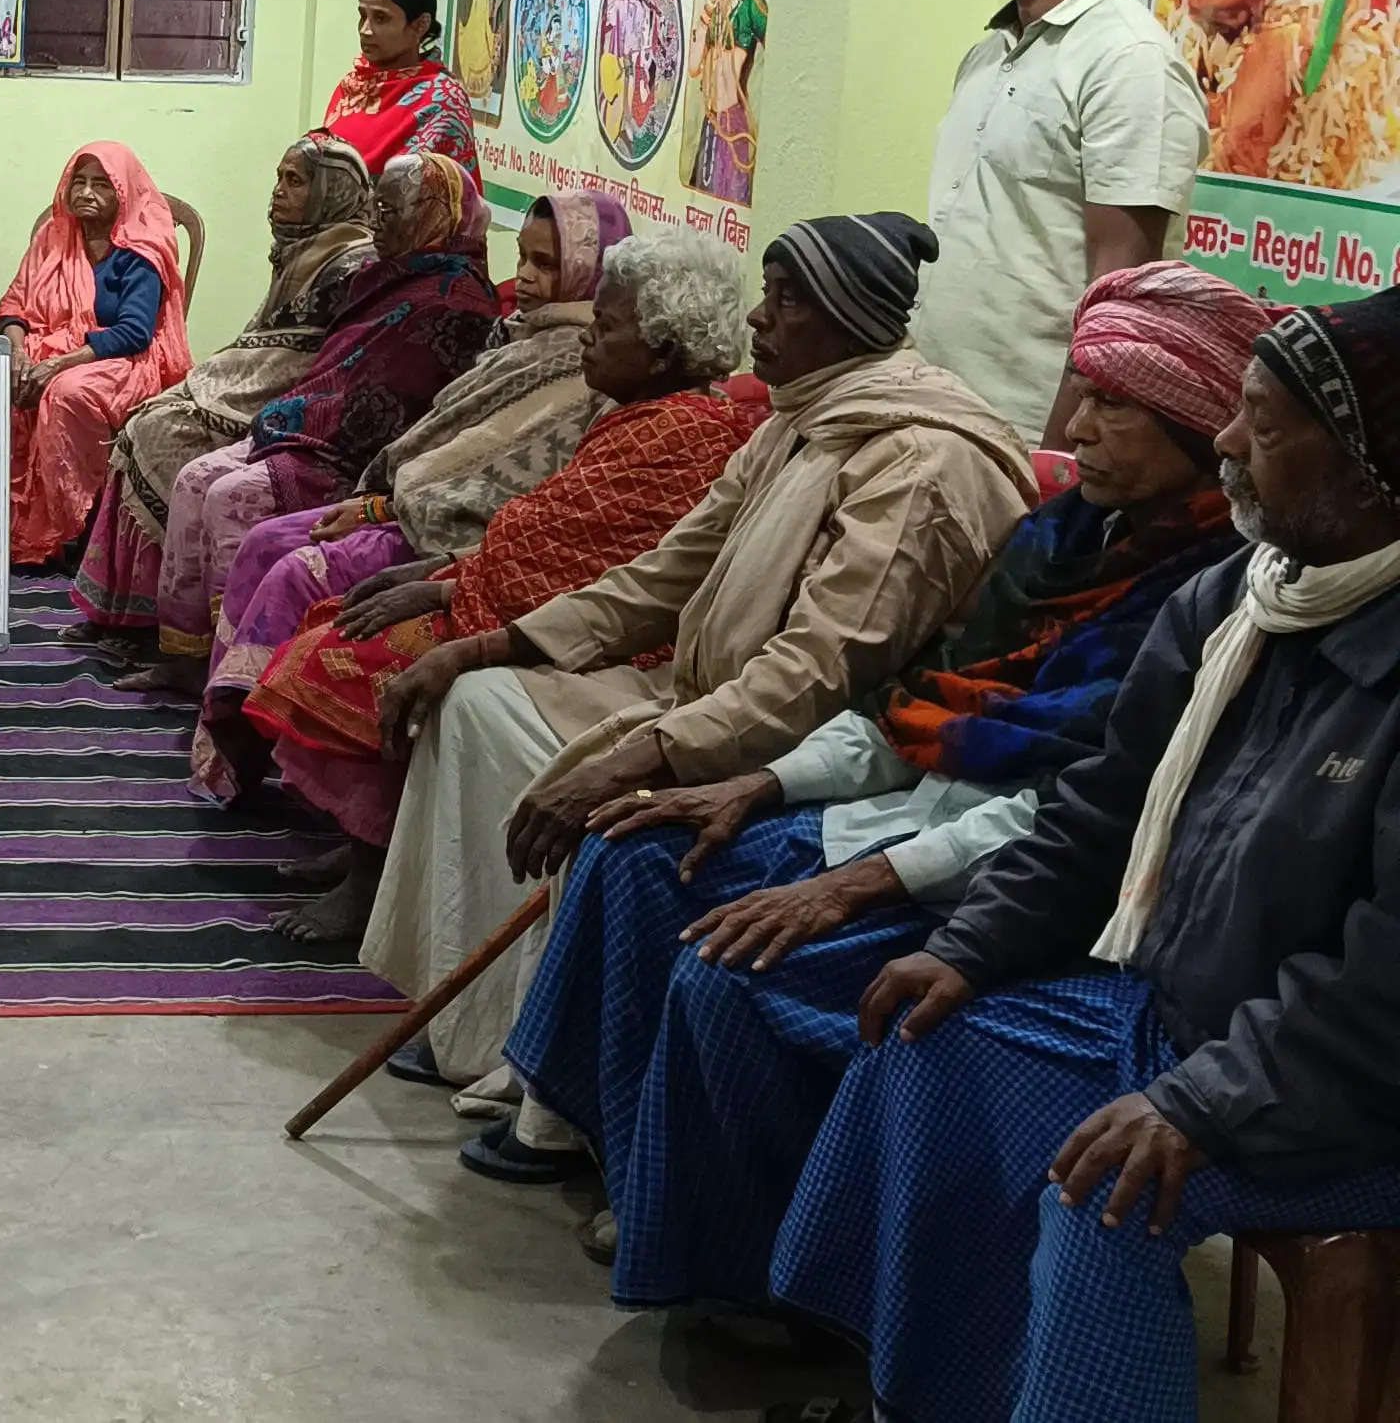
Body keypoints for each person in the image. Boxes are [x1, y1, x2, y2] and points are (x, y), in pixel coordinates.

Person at [505, 260, 1262, 1312]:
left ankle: (751, 1278)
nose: (1076, 424)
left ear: (1194, 430)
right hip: (915, 818)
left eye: (1113, 404)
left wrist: (861, 881)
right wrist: (761, 786)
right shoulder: (1059, 539)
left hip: (1018, 887)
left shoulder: (1202, 600)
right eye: (1081, 391)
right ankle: (632, 1154)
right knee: (639, 849)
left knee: (730, 963)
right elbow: (918, 707)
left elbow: (1084, 818)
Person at [770, 285, 1400, 1423]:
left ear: (1367, 461)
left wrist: (1202, 1101)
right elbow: (1100, 813)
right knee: (928, 1035)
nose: (1222, 441)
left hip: (1345, 1087)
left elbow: (1383, 988)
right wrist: (971, 947)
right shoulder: (1241, 601)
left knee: (1107, 1195)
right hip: (1183, 1015)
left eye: (1258, 422)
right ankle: (927, 1399)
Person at [363, 214, 1036, 1123]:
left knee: (603, 813)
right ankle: (480, 1030)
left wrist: (647, 755)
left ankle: (555, 1096)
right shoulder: (802, 420)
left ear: (845, 318)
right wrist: (481, 644)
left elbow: (815, 676)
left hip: (788, 748)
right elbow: (662, 577)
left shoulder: (915, 458)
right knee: (475, 703)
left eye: (786, 300)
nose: (757, 319)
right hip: (698, 696)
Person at [245, 230, 760, 943]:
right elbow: (540, 527)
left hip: (600, 643)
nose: (589, 341)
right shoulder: (638, 412)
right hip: (518, 597)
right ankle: (373, 844)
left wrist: (446, 589)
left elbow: (593, 571)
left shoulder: (685, 436)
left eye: (606, 327)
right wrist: (440, 573)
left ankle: (371, 873)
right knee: (342, 620)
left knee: (350, 660)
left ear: (664, 349)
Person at [189, 188, 633, 804]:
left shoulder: (591, 363)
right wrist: (377, 501)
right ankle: (244, 753)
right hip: (403, 504)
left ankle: (297, 783)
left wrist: (382, 507)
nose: (526, 277)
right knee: (265, 539)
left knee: (296, 569)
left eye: (547, 264)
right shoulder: (513, 332)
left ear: (594, 268)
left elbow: (501, 478)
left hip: (457, 540)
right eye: (523, 258)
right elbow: (439, 432)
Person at [75, 152, 500, 692]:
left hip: (354, 459)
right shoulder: (387, 273)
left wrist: (295, 421)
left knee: (230, 496)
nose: (376, 221)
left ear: (432, 217)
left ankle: (234, 674)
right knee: (193, 478)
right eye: (377, 206)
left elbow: (398, 404)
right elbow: (331, 367)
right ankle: (182, 652)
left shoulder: (454, 301)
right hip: (307, 425)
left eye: (390, 212)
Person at [911, 0, 1208, 445]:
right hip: (936, 411)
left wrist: (1059, 461)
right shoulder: (992, 50)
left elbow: (1118, 288)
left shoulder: (1129, 63)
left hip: (1023, 436)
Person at [60, 136, 378, 649]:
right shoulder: (302, 249)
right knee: (148, 420)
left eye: (294, 182)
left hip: (297, 405)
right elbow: (260, 342)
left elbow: (308, 361)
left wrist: (212, 388)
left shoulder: (351, 264)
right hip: (251, 381)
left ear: (331, 191)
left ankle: (172, 632)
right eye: (278, 178)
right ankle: (128, 612)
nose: (277, 193)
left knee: (159, 432)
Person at [0, 143, 193, 568]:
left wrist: (58, 364)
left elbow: (135, 332)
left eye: (101, 184)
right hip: (48, 353)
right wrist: (16, 355)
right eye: (79, 182)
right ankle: (5, 524)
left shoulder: (141, 249)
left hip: (124, 361)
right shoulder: (54, 237)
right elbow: (13, 306)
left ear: (123, 192)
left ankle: (74, 533)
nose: (86, 193)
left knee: (67, 393)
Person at [316, 0, 482, 186]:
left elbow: (446, 195)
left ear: (420, 25)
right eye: (363, 16)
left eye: (381, 19)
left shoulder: (442, 99)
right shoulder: (352, 87)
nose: (365, 29)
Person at [683, 0, 767, 206]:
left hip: (734, 130)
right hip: (712, 125)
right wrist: (709, 7)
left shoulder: (751, 4)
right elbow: (693, 67)